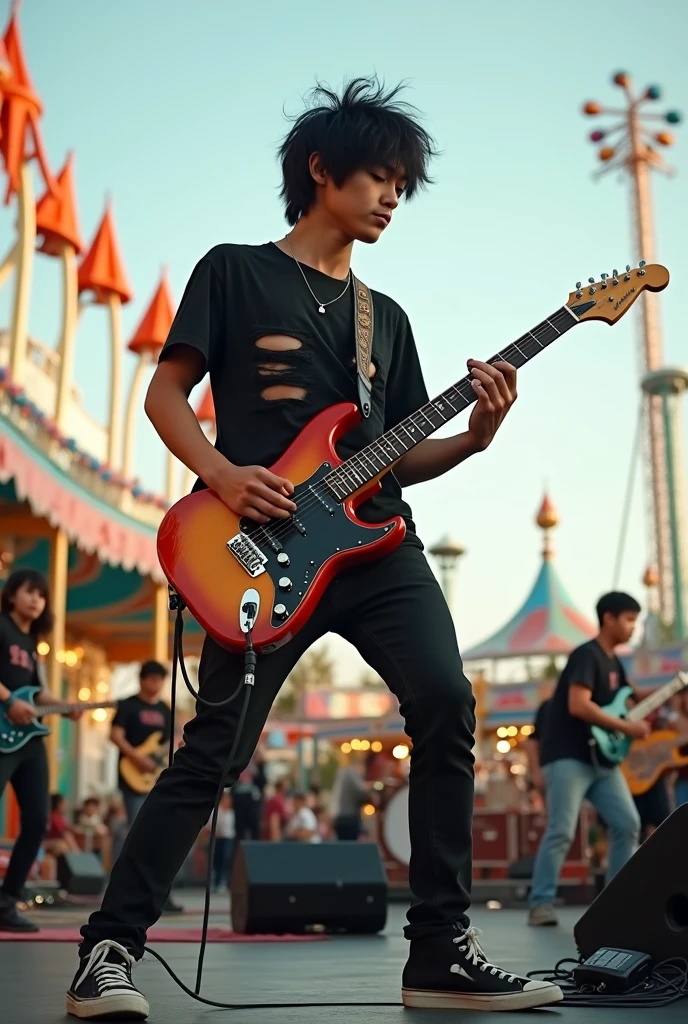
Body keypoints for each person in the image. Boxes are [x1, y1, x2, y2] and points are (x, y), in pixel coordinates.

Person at [66, 77, 562, 1019]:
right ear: (320, 170)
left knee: (448, 705)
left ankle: (438, 954)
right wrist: (220, 475)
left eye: (403, 187)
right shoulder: (234, 271)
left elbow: (399, 453)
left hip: (378, 552)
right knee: (212, 753)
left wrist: (478, 438)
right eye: (378, 177)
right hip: (258, 547)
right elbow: (166, 394)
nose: (391, 199)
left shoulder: (389, 319)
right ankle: (107, 953)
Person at [527, 592, 646, 927]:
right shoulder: (587, 655)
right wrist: (627, 727)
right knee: (561, 831)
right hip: (568, 756)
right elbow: (578, 705)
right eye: (628, 619)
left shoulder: (615, 664)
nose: (632, 627)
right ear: (608, 618)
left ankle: (615, 902)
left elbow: (627, 698)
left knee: (627, 824)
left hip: (601, 761)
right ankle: (541, 904)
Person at [0, 568, 80, 933]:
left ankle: (6, 902)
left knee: (36, 820)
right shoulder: (2, 627)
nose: (36, 600)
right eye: (30, 592)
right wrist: (8, 702)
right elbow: (13, 694)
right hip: (3, 731)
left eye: (42, 595)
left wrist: (67, 706)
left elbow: (37, 692)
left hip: (31, 742)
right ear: (13, 593)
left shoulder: (33, 644)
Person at [109, 661, 183, 913]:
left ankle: (161, 894)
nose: (155, 684)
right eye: (150, 679)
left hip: (155, 777)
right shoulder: (128, 705)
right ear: (141, 680)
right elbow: (115, 735)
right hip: (132, 777)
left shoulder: (165, 710)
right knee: (136, 832)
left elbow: (169, 741)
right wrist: (135, 757)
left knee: (162, 834)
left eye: (159, 680)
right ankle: (125, 891)